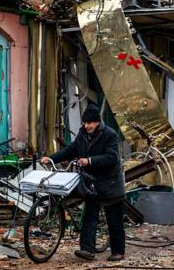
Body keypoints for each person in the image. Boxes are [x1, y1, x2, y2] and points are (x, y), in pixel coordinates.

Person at [41, 103, 125, 261]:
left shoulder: (110, 134)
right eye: (85, 123)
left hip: (110, 183)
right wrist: (51, 158)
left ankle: (118, 251)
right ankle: (87, 250)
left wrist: (90, 161)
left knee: (114, 219)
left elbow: (112, 157)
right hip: (91, 183)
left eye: (90, 123)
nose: (87, 126)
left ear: (97, 122)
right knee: (89, 215)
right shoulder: (82, 134)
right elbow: (70, 150)